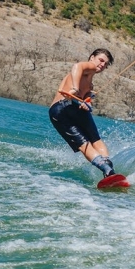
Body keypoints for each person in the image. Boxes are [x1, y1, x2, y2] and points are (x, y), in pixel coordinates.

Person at [49, 48, 116, 178]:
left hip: (75, 107)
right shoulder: (88, 67)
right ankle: (108, 170)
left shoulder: (90, 84)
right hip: (62, 108)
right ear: (92, 57)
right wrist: (74, 88)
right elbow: (77, 66)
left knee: (95, 140)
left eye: (105, 64)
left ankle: (108, 170)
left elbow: (85, 98)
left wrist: (87, 101)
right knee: (86, 143)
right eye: (101, 60)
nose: (102, 65)